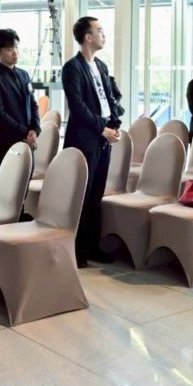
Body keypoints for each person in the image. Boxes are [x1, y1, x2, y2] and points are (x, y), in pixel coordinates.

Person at [62, 16, 121, 268]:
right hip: (84, 139)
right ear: (87, 37)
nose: (104, 34)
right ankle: (75, 248)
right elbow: (78, 107)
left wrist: (114, 125)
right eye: (100, 30)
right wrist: (102, 128)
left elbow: (109, 99)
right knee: (81, 196)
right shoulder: (72, 68)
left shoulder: (101, 66)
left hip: (103, 138)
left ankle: (92, 246)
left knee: (96, 193)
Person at [0, 28, 40, 176]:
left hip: (27, 141)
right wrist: (25, 132)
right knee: (7, 185)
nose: (15, 52)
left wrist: (35, 130)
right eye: (9, 49)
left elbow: (33, 104)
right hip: (4, 142)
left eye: (16, 47)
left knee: (25, 183)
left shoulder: (24, 75)